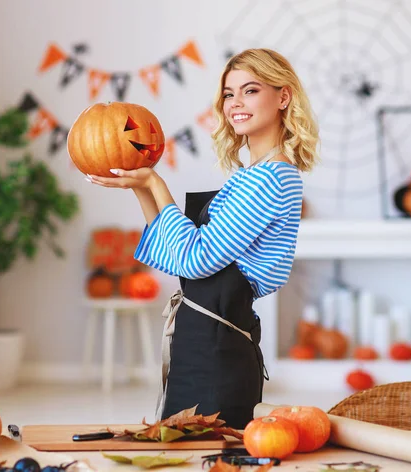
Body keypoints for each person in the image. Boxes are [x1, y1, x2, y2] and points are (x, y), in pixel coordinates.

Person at [87, 48, 319, 429]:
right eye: (229, 94)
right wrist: (140, 186)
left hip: (219, 351)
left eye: (250, 90)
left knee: (206, 458)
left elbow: (197, 259)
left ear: (283, 96)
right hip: (201, 338)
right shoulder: (252, 174)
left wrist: (155, 183)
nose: (235, 103)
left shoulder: (273, 178)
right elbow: (180, 254)